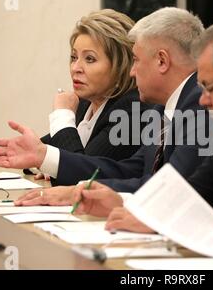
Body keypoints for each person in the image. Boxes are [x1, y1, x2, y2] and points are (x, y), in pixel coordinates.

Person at [0, 7, 211, 199]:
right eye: (73, 57)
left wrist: (79, 191)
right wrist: (46, 158)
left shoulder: (199, 106)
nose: (131, 72)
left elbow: (172, 192)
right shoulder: (164, 108)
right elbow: (133, 171)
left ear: (162, 60)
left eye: (136, 60)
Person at [105, 19, 213, 233]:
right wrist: (120, 201)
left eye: (209, 87)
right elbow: (189, 192)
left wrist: (159, 222)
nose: (203, 100)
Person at [27, 9, 150, 181]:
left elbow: (81, 175)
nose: (75, 68)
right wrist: (47, 162)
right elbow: (34, 154)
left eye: (90, 59)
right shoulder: (85, 103)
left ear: (121, 64)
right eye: (73, 57)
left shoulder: (132, 111)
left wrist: (62, 116)